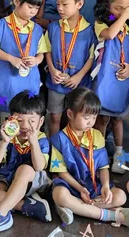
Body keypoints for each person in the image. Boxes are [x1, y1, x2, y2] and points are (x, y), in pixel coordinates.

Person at [0, 91, 52, 237]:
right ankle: (25, 205)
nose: (24, 126)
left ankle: (0, 215)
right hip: (9, 177)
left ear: (41, 122)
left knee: (25, 169)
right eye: (19, 120)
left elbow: (39, 167)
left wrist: (33, 142)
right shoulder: (10, 137)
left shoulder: (41, 139)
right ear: (11, 119)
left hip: (32, 180)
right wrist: (4, 141)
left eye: (31, 121)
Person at [50, 87, 128, 226]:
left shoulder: (96, 136)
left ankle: (74, 208)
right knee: (59, 194)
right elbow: (60, 172)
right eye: (86, 118)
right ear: (70, 114)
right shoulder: (59, 139)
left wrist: (105, 186)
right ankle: (108, 215)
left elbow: (103, 167)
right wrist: (79, 189)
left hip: (92, 185)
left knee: (120, 196)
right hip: (70, 185)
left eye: (94, 117)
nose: (91, 122)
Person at [0, 0, 47, 112]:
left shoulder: (36, 29)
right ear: (16, 2)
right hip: (7, 79)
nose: (33, 12)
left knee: (27, 112)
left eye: (37, 8)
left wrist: (36, 60)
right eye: (30, 7)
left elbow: (41, 53)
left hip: (29, 80)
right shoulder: (2, 25)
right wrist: (11, 58)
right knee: (7, 115)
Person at [45, 0, 95, 135]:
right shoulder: (53, 27)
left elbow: (92, 57)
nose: (60, 8)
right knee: (55, 116)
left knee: (76, 119)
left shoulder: (89, 31)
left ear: (79, 4)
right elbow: (47, 50)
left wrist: (79, 76)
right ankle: (54, 149)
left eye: (65, 4)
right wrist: (52, 71)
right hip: (56, 82)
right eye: (58, 3)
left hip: (78, 83)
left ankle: (74, 148)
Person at [91, 0, 129, 174]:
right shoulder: (101, 24)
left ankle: (120, 156)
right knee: (103, 119)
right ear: (108, 5)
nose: (122, 12)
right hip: (105, 81)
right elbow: (112, 34)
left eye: (126, 8)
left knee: (118, 119)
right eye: (118, 8)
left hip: (122, 81)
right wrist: (125, 16)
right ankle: (100, 156)